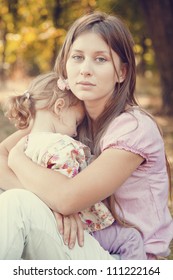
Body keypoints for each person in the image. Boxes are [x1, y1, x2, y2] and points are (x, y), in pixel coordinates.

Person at [0, 11, 172, 260]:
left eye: (100, 59)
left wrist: (18, 160)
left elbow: (67, 198)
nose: (85, 70)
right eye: (77, 57)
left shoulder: (133, 128)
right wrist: (52, 208)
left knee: (19, 205)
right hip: (88, 243)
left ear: (121, 73)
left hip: (129, 259)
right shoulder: (67, 118)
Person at [1, 71, 147, 260]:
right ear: (59, 106)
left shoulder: (25, 145)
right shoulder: (64, 147)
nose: (75, 130)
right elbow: (69, 191)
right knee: (132, 239)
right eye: (76, 122)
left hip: (49, 227)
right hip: (80, 227)